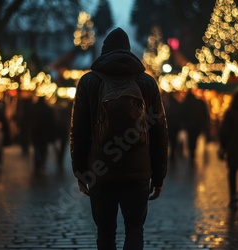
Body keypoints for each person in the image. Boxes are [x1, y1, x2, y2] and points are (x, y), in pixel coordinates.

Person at [70, 27, 169, 250]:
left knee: (105, 232)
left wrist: (80, 171)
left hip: (101, 170)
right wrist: (159, 175)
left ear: (104, 52)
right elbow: (159, 131)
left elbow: (79, 130)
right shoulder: (146, 83)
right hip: (138, 171)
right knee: (135, 229)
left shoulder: (88, 82)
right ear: (128, 51)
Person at [181, 88, 210, 165]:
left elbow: (182, 113)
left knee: (190, 138)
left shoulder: (186, 102)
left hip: (189, 125)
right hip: (197, 125)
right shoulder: (199, 102)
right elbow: (204, 113)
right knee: (194, 138)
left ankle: (191, 151)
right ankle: (192, 151)